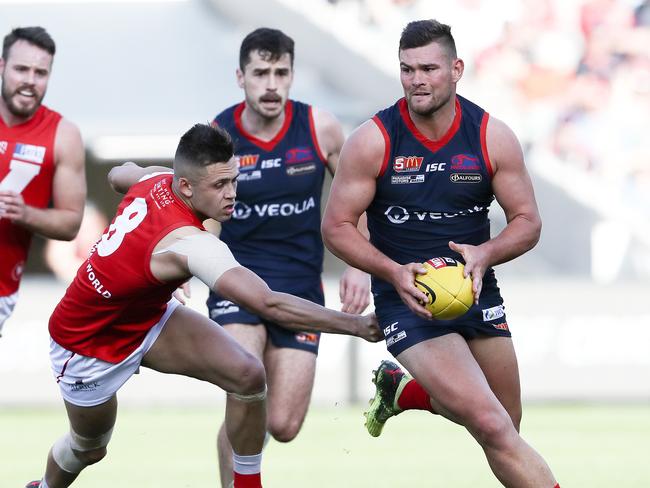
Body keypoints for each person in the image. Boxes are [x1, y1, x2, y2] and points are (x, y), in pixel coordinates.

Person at [26, 123, 380, 488]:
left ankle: (246, 483)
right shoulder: (190, 243)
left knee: (248, 374)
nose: (232, 194)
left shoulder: (158, 180)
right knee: (89, 448)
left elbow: (121, 174)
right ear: (186, 186)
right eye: (219, 186)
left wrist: (146, 275)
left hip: (147, 317)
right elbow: (267, 303)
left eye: (234, 181)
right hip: (86, 344)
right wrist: (356, 326)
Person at [321, 19, 561, 487]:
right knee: (492, 424)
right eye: (408, 69)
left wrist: (486, 253)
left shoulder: (491, 136)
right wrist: (392, 272)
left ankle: (402, 392)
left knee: (505, 425)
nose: (417, 80)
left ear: (456, 69)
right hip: (408, 301)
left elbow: (528, 222)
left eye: (429, 68)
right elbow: (336, 227)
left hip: (475, 290)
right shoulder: (373, 139)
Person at [206, 27, 371, 487]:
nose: (272, 84)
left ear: (293, 75)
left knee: (282, 425)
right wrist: (185, 267)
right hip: (236, 279)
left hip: (299, 285)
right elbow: (201, 214)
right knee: (245, 380)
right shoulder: (219, 134)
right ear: (241, 77)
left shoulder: (320, 127)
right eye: (261, 73)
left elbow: (357, 201)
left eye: (281, 72)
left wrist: (359, 265)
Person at [0, 26, 85, 337]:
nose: (29, 81)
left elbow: (71, 223)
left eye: (40, 73)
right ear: (2, 66)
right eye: (21, 69)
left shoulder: (63, 134)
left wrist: (25, 214)